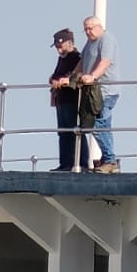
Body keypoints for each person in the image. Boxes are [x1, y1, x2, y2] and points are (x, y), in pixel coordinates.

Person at [77, 15, 120, 174]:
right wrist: (71, 77)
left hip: (105, 90)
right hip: (93, 92)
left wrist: (93, 76)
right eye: (85, 29)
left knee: (99, 123)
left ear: (99, 26)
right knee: (101, 124)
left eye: (90, 28)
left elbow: (105, 61)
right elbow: (82, 62)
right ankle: (108, 159)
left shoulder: (106, 39)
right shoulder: (90, 43)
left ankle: (110, 160)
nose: (88, 32)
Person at [48, 29, 83, 172]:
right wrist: (53, 80)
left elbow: (75, 75)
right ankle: (65, 163)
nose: (58, 48)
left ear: (70, 43)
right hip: (61, 98)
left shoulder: (76, 57)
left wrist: (63, 80)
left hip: (72, 98)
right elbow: (56, 74)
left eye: (60, 45)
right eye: (56, 45)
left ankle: (79, 162)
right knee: (63, 132)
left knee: (73, 130)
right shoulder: (62, 59)